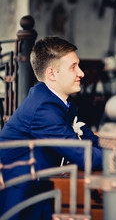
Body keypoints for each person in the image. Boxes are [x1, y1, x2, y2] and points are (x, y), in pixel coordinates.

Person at [0, 36, 103, 220]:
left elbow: (91, 140)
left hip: (44, 191)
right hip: (23, 203)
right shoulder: (43, 108)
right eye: (73, 67)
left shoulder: (58, 102)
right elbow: (84, 155)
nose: (81, 73)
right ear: (51, 74)